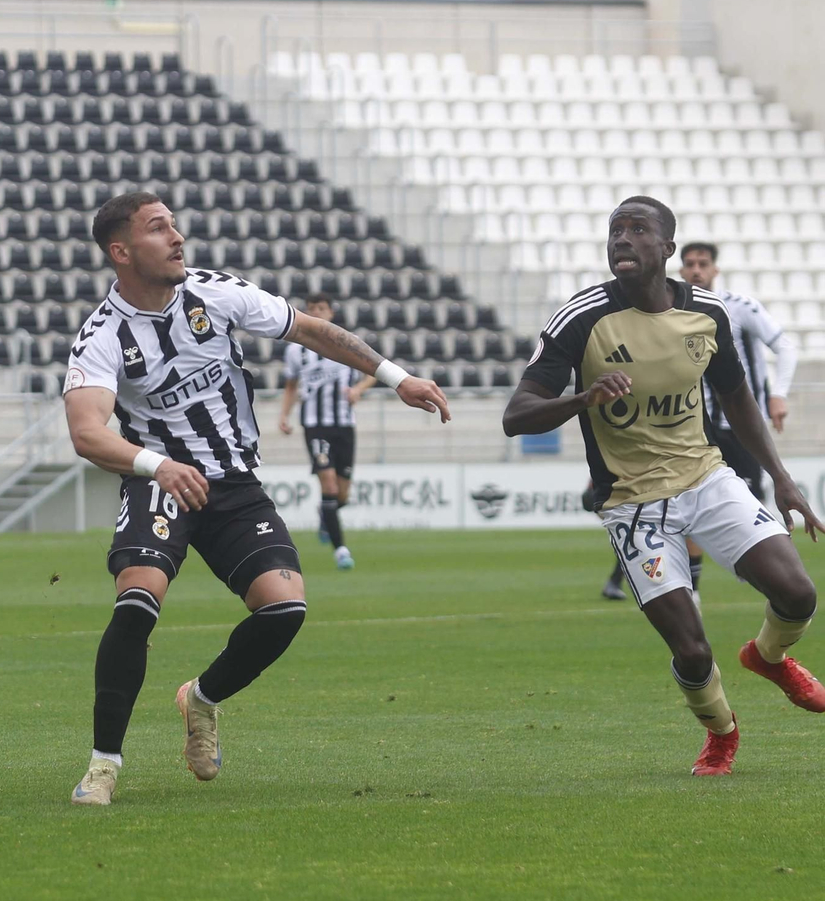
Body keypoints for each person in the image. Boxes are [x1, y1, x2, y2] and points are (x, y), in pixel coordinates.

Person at [63, 192, 450, 805]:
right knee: (137, 602)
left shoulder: (216, 293)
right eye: (158, 228)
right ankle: (103, 766)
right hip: (159, 482)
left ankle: (201, 698)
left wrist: (396, 378)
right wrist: (158, 465)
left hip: (234, 483)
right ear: (122, 251)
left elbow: (311, 330)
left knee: (285, 609)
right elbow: (87, 432)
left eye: (174, 224)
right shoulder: (102, 335)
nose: (177, 237)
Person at [503, 195, 823, 777]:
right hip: (632, 504)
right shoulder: (581, 318)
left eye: (637, 229)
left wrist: (781, 478)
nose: (622, 239)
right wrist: (583, 397)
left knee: (799, 594)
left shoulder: (707, 312)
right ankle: (722, 735)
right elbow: (516, 415)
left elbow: (736, 397)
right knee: (692, 652)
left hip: (706, 477)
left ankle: (768, 657)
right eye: (615, 230)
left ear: (667, 247)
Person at [677, 241, 798, 593]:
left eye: (702, 263)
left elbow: (784, 347)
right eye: (689, 264)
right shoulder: (673, 311)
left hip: (741, 429)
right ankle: (693, 594)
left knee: (752, 508)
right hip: (698, 430)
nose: (696, 270)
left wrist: (778, 394)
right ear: (681, 270)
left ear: (715, 269)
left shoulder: (740, 308)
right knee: (690, 503)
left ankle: (779, 581)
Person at [277, 292, 376, 570]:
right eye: (311, 308)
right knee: (329, 485)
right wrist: (284, 415)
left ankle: (326, 513)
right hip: (315, 425)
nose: (316, 312)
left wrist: (358, 389)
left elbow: (373, 372)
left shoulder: (347, 343)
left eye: (321, 308)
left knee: (341, 494)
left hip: (344, 425)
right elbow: (291, 386)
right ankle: (341, 550)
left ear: (331, 313)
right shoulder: (296, 350)